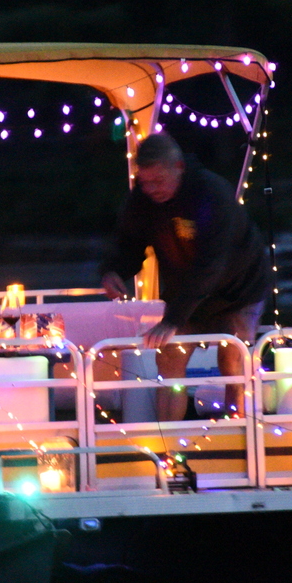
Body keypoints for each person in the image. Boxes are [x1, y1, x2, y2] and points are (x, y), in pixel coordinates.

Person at [100, 133, 271, 421]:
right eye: (145, 182)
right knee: (169, 357)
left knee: (233, 357)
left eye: (158, 181)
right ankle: (170, 445)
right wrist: (114, 269)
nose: (152, 189)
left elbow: (210, 264)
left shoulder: (210, 194)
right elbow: (128, 242)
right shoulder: (142, 201)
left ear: (178, 167)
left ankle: (237, 432)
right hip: (187, 293)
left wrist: (173, 319)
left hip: (240, 289)